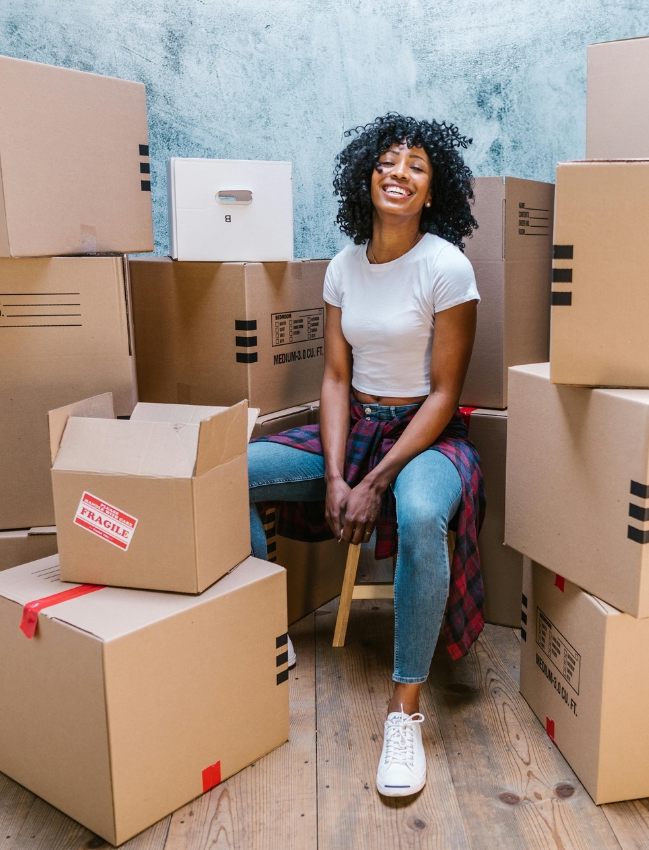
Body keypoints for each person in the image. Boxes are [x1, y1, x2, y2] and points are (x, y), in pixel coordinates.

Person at [247, 113, 485, 797]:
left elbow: (445, 394)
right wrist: (336, 475)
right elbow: (335, 379)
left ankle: (404, 713)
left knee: (417, 513)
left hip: (427, 437)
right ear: (366, 175)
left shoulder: (447, 266)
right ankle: (265, 634)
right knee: (226, 474)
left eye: (417, 166)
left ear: (434, 190)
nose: (399, 173)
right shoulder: (343, 267)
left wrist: (374, 479)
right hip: (356, 429)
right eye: (388, 161)